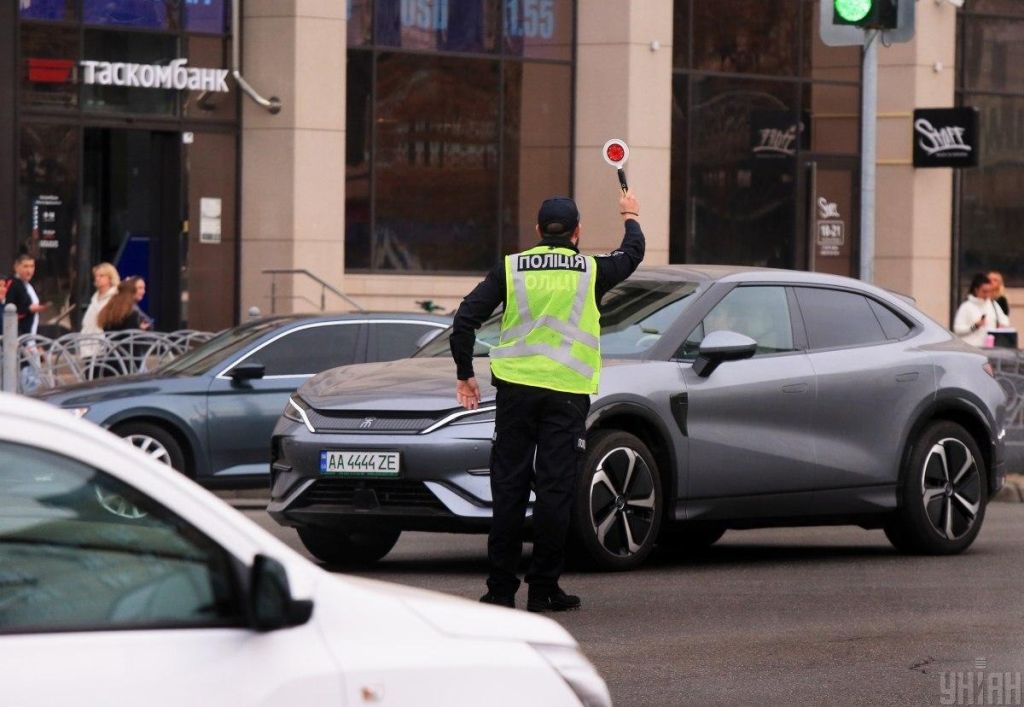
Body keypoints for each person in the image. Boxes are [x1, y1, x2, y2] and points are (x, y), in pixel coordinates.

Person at [450, 189, 644, 612]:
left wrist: (465, 374)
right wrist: (629, 215)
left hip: (516, 394)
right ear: (577, 232)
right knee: (555, 492)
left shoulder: (511, 267)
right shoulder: (591, 270)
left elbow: (464, 319)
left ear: (538, 230)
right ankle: (543, 590)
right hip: (566, 394)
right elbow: (633, 253)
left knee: (509, 490)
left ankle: (500, 591)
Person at [953, 272, 1009, 347]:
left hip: (990, 349)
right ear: (976, 290)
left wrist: (1002, 325)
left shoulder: (993, 304)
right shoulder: (966, 307)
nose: (987, 295)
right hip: (971, 349)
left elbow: (1005, 320)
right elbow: (957, 330)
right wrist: (975, 326)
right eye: (984, 291)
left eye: (989, 291)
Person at [80, 262, 120, 358]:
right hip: (88, 345)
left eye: (101, 276)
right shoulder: (94, 298)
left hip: (105, 347)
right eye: (96, 276)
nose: (97, 279)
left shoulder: (115, 298)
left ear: (110, 278)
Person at [5, 254, 50, 336]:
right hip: (18, 335)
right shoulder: (12, 284)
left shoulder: (28, 285)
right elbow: (8, 308)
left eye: (32, 266)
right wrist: (29, 309)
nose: (29, 271)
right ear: (16, 267)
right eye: (25, 266)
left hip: (31, 333)